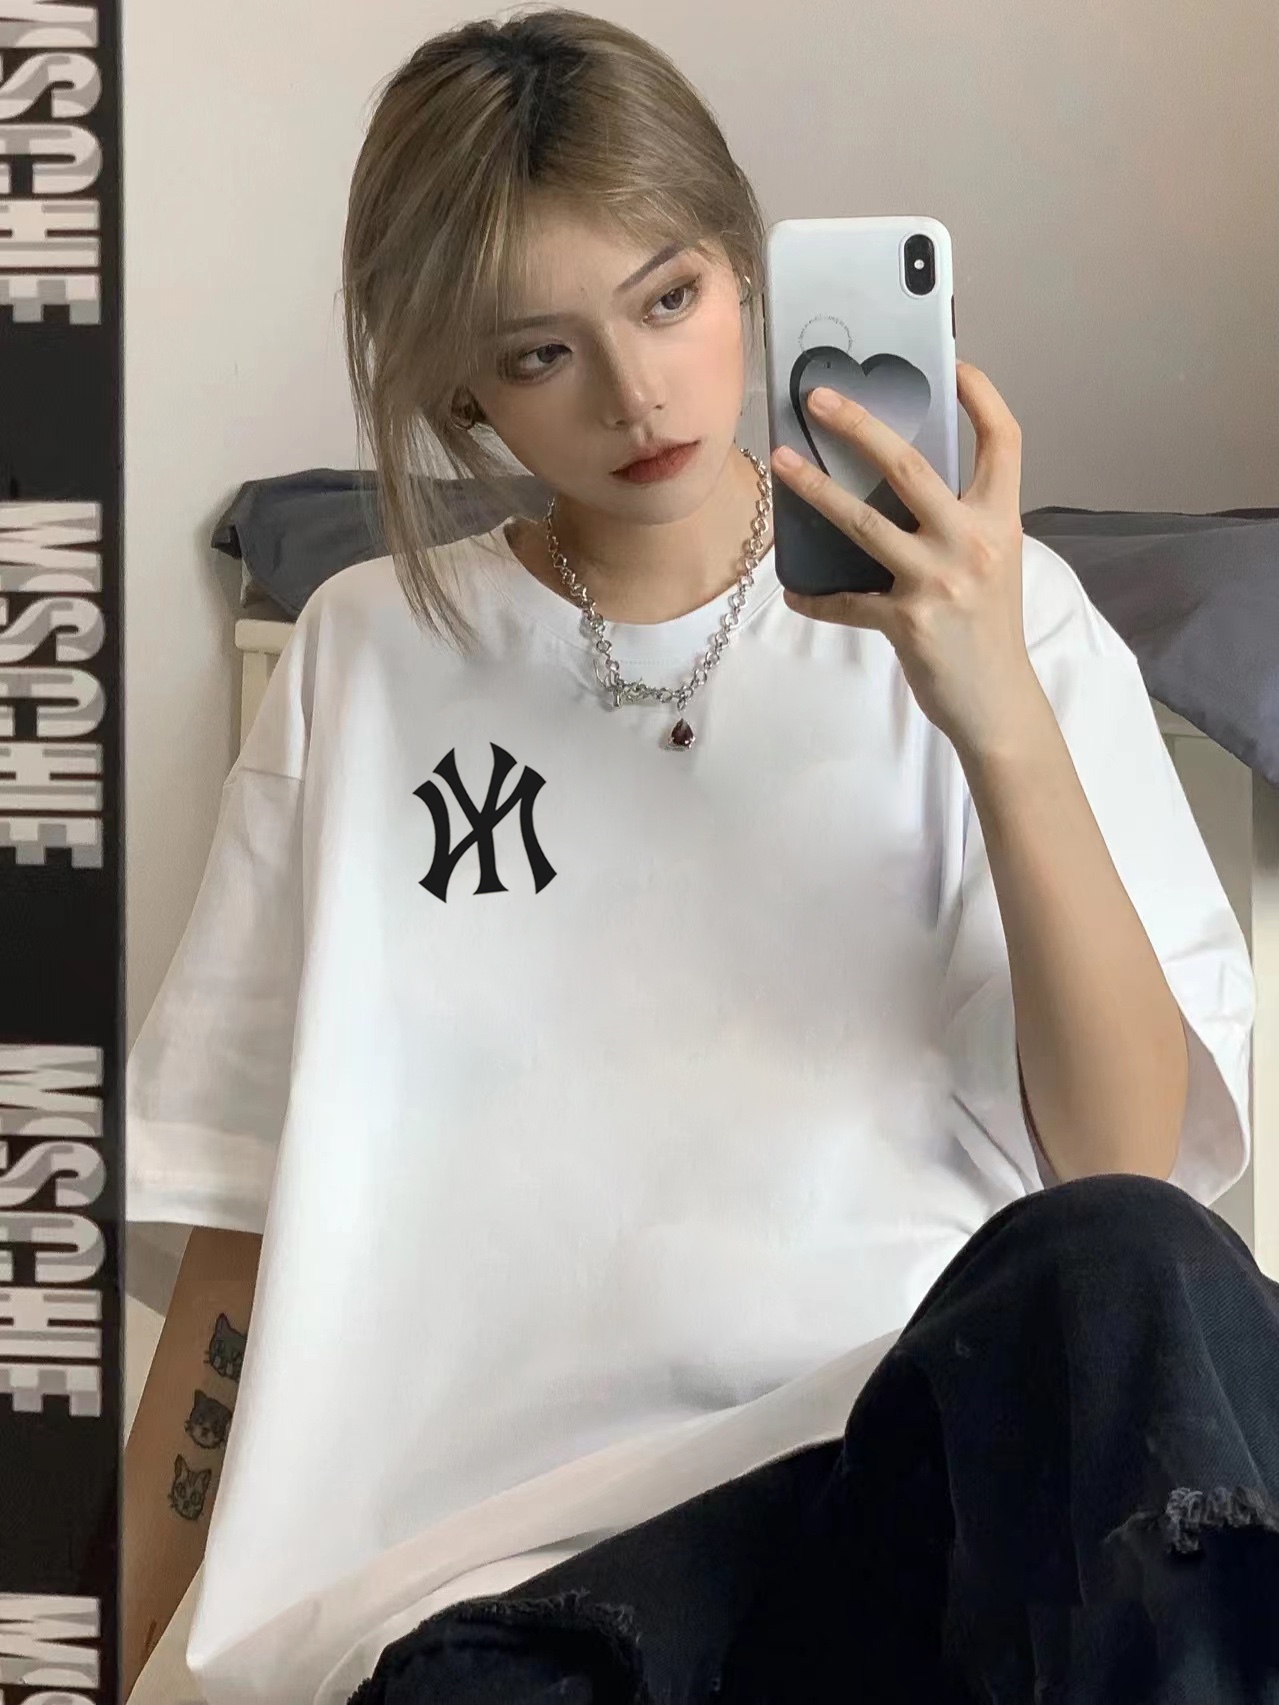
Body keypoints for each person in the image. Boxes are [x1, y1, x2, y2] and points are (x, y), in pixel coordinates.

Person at [122, 8, 1276, 1703]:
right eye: (542, 352)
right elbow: (240, 1241)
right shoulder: (362, 659)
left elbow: (1128, 1167)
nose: (637, 391)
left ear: (745, 260)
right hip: (507, 1587)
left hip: (904, 1496)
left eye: (667, 298)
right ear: (460, 388)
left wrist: (998, 715)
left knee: (1131, 1265)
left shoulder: (1006, 619)